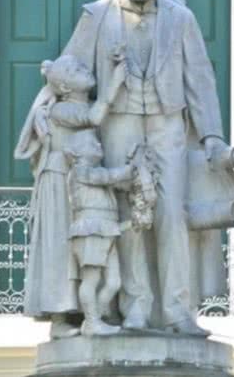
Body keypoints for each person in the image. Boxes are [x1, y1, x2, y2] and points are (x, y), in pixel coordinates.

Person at [62, 0, 229, 336]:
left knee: (172, 215)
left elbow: (200, 79)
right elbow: (68, 69)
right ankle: (135, 307)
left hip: (167, 122)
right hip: (119, 121)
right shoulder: (96, 16)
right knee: (129, 218)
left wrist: (211, 135)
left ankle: (177, 309)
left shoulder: (179, 18)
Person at [14, 53, 128, 338]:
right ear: (64, 88)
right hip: (59, 182)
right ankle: (60, 315)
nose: (84, 68)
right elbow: (94, 116)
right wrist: (115, 81)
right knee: (60, 249)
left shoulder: (74, 105)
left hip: (76, 184)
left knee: (77, 252)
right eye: (75, 69)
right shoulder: (61, 110)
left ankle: (90, 311)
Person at [64, 129, 134, 336]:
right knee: (91, 280)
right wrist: (130, 169)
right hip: (90, 229)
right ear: (77, 153)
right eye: (92, 145)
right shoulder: (81, 171)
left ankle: (96, 314)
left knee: (114, 282)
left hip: (107, 229)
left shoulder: (96, 173)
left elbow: (115, 182)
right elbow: (107, 177)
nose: (99, 147)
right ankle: (92, 321)